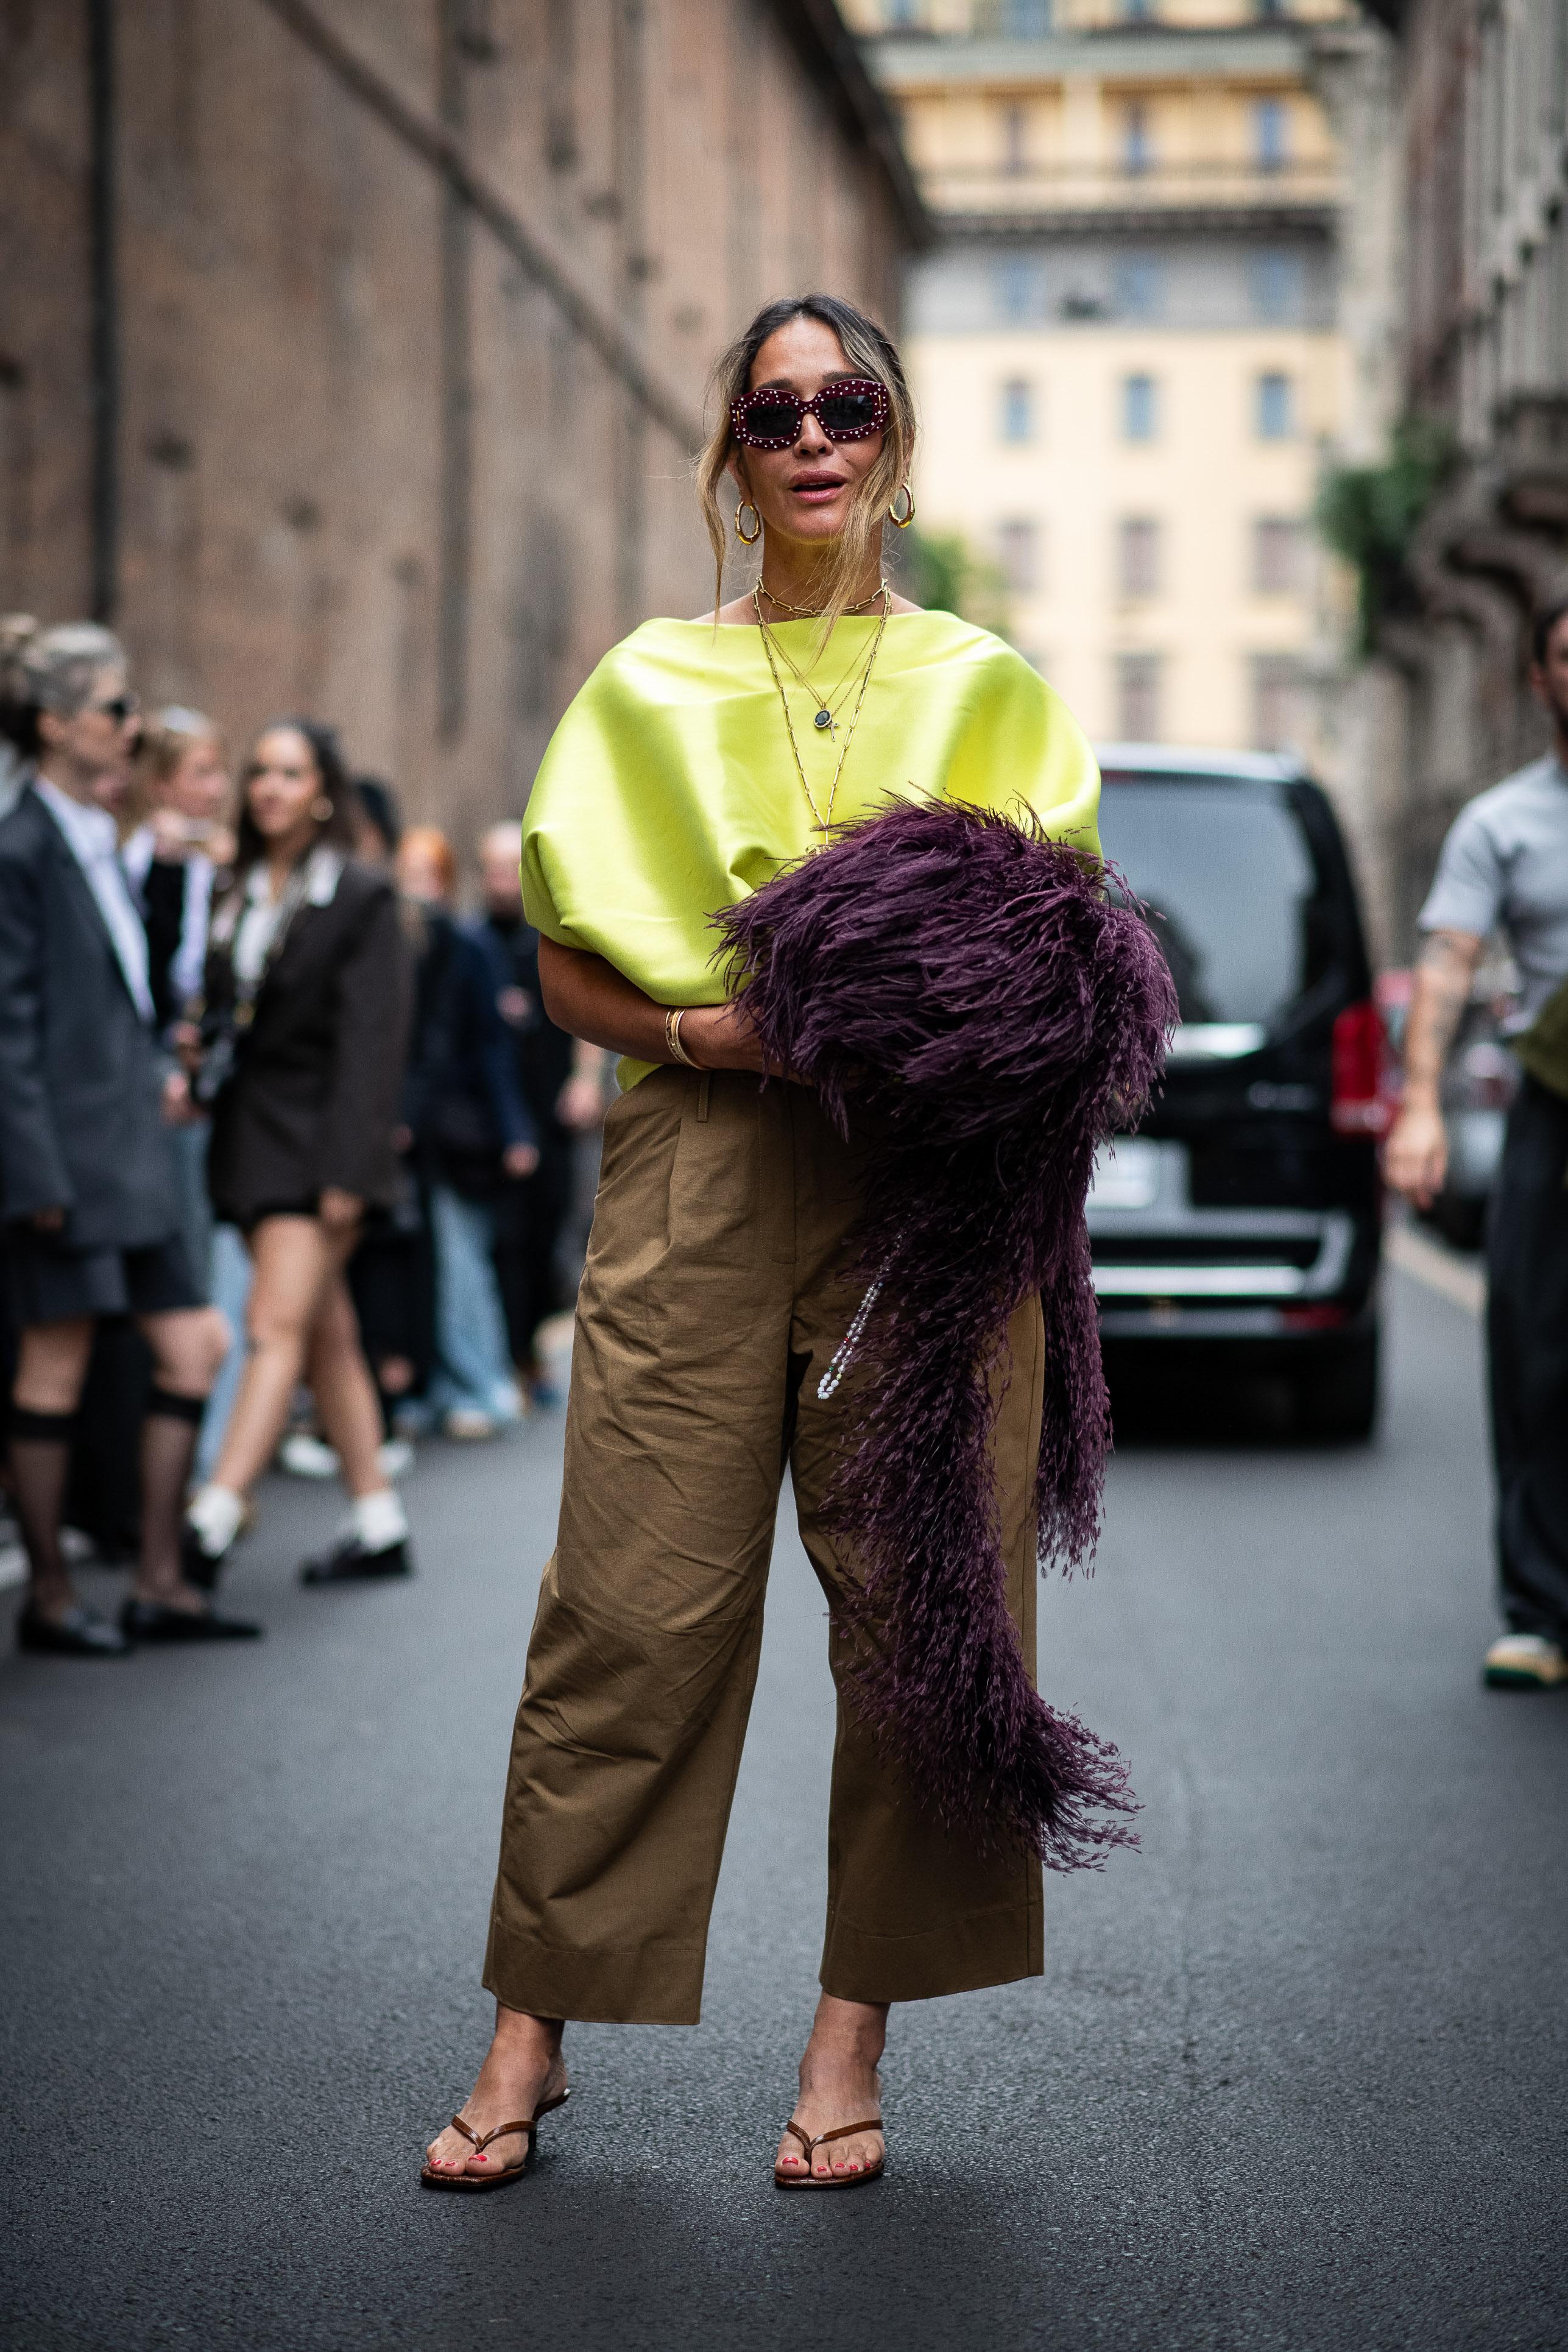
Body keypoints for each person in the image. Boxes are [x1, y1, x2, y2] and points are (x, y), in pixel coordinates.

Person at [423, 293, 1104, 2194]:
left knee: (926, 1610)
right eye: (778, 412)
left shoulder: (989, 685)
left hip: (927, 1187)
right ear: (732, 452)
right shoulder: (644, 682)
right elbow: (567, 969)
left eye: (851, 406)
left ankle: (850, 2032)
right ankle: (529, 2026)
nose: (816, 440)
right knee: (627, 1609)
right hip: (704, 1159)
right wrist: (700, 1031)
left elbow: (1053, 961)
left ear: (897, 439)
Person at [0, 620, 246, 1655]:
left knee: (197, 1345)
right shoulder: (20, 847)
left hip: (132, 1149)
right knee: (52, 1366)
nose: (132, 725)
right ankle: (52, 1596)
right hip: (68, 1159)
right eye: (114, 708)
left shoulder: (100, 833)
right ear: (55, 724)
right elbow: (7, 1026)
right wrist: (34, 1170)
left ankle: (157, 1581)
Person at [181, 718, 415, 1588]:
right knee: (325, 1333)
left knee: (272, 1325)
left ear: (322, 791)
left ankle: (213, 1512)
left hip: (321, 1148)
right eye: (260, 772)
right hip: (247, 1140)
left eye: (290, 772)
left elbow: (371, 1044)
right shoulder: (234, 886)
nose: (270, 787)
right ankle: (379, 1517)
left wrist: (349, 1174)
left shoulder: (357, 892)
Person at [1387, 588, 1568, 1691]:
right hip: (1552, 1102)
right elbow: (1447, 965)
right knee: (1534, 1349)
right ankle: (1539, 1610)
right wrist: (1415, 1105)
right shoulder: (1501, 821)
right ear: (1538, 679)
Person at [397, 824, 537, 1439]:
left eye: (427, 876)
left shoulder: (464, 946)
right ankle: (453, 1383)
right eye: (407, 874)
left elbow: (490, 1049)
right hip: (417, 1135)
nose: (415, 888)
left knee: (462, 1260)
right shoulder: (405, 943)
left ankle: (482, 1382)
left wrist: (513, 1131)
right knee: (433, 1262)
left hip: (455, 1136)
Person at [472, 822, 606, 1407]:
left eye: (509, 867)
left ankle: (528, 1357)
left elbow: (589, 1006)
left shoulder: (548, 932)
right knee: (507, 1239)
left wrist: (584, 1078)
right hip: (498, 1115)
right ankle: (510, 1357)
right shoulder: (477, 940)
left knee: (551, 1226)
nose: (500, 879)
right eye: (491, 868)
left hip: (551, 1105)